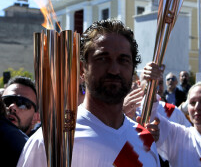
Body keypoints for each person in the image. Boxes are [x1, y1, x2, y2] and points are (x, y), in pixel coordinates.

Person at [17, 19, 161, 167]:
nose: (114, 70)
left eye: (123, 60)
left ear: (132, 70)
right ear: (82, 68)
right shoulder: (53, 141)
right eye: (103, 59)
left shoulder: (144, 142)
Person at [0, 92, 28, 167]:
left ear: (37, 116)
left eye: (22, 103)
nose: (12, 107)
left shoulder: (30, 149)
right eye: (7, 100)